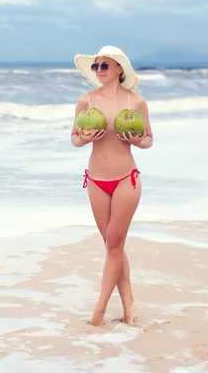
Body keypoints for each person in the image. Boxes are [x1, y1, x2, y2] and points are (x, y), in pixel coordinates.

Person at [70, 45, 154, 326]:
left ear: (120, 69)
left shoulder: (135, 102)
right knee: (112, 246)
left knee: (115, 245)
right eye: (96, 66)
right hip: (95, 180)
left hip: (125, 179)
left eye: (105, 65)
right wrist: (85, 138)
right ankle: (129, 302)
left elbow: (148, 140)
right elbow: (74, 138)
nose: (100, 70)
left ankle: (100, 310)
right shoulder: (87, 101)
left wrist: (135, 140)